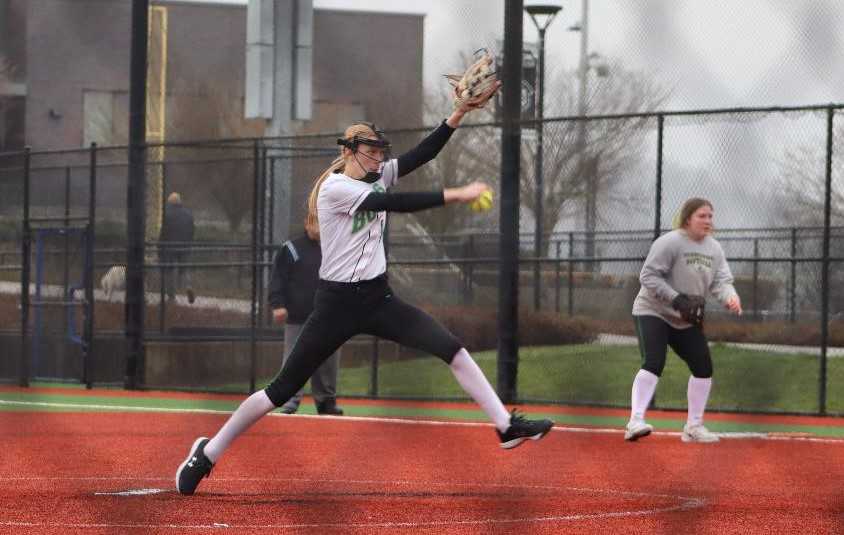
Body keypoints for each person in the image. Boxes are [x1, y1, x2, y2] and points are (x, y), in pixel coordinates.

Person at [176, 88, 555, 496]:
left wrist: (459, 111)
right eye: (371, 150)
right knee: (280, 391)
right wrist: (455, 194)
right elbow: (396, 203)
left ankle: (505, 426)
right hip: (336, 305)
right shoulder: (336, 189)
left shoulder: (376, 176)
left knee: (453, 349)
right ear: (352, 150)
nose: (379, 157)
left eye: (380, 151)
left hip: (378, 300)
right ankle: (208, 452)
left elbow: (421, 154)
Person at [625, 198, 742, 444]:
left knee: (703, 368)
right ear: (688, 218)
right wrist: (675, 298)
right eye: (702, 216)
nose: (708, 220)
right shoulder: (671, 242)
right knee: (654, 361)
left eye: (710, 216)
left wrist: (731, 298)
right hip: (653, 310)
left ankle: (693, 427)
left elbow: (721, 281)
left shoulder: (714, 249)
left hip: (685, 318)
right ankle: (635, 421)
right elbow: (647, 275)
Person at [268, 217, 343, 416]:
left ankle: (326, 403)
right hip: (298, 317)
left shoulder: (335, 247)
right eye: (315, 222)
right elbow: (278, 278)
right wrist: (277, 304)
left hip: (329, 317)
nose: (319, 226)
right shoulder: (291, 248)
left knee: (328, 362)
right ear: (307, 224)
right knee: (294, 359)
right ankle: (289, 401)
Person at [159, 192, 195, 304]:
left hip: (170, 247)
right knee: (184, 270)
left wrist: (159, 245)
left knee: (169, 271)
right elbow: (192, 231)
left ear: (170, 203)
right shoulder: (189, 214)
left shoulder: (166, 214)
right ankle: (188, 286)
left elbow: (163, 232)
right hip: (185, 246)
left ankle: (171, 298)